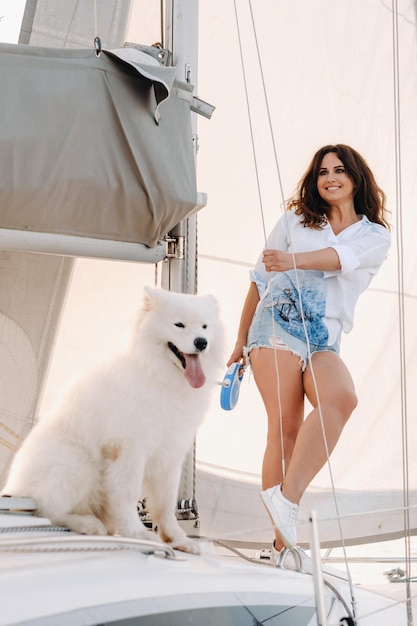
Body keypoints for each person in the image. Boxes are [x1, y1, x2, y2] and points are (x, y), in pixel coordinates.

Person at [227, 144, 391, 562]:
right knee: (285, 430)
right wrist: (239, 341)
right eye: (322, 172)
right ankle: (283, 550)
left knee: (341, 398)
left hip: (323, 339)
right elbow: (259, 281)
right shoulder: (295, 221)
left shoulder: (374, 235)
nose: (330, 178)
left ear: (356, 178)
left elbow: (339, 260)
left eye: (339, 170)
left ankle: (287, 499)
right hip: (276, 325)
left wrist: (291, 260)